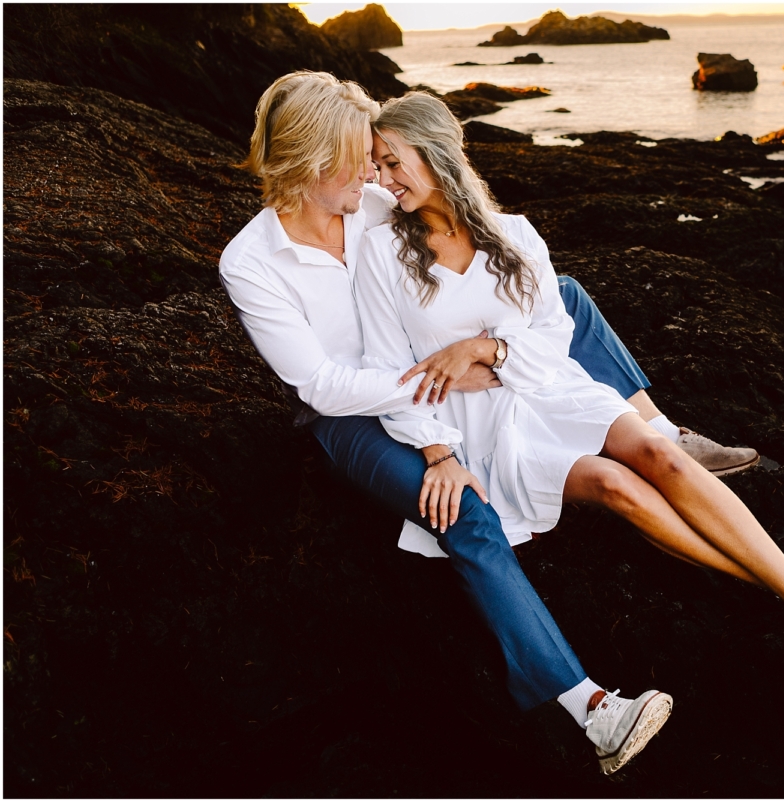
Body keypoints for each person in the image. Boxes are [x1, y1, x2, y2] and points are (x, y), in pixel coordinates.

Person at [219, 70, 737, 775]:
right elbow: (322, 383)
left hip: (432, 376)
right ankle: (591, 710)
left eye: (379, 157)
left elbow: (478, 242)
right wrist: (444, 419)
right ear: (312, 161)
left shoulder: (374, 205)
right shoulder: (252, 260)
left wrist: (490, 354)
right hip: (349, 417)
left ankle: (665, 431)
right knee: (465, 513)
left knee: (564, 295)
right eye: (357, 155)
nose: (374, 169)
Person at [355, 92, 784, 729]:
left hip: (551, 391)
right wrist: (440, 441)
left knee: (658, 452)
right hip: (481, 429)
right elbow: (393, 370)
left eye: (394, 163)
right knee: (617, 486)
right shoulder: (382, 251)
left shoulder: (516, 235)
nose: (383, 181)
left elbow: (552, 340)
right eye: (377, 166)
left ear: (439, 154)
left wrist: (487, 349)